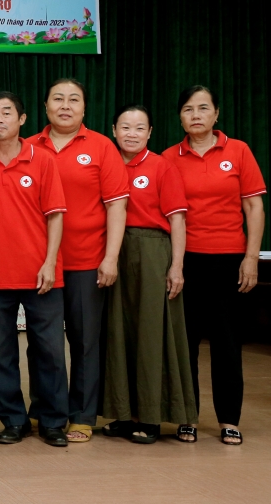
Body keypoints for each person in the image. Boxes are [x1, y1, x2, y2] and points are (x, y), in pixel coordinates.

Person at [164, 86, 266, 446]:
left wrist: (251, 257)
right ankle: (187, 417)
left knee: (227, 343)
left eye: (203, 108)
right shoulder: (169, 157)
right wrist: (175, 265)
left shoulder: (238, 151)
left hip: (229, 261)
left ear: (216, 114)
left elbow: (254, 207)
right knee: (186, 343)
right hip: (185, 262)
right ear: (180, 117)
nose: (196, 115)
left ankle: (229, 419)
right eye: (188, 109)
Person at [0, 92, 69, 447]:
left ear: (22, 119)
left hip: (42, 274)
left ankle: (52, 420)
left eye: (7, 112)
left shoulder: (42, 159)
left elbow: (55, 216)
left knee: (50, 351)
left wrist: (50, 262)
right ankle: (13, 420)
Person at [30, 78, 128, 442]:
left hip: (86, 261)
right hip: (40, 263)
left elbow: (117, 206)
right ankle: (45, 410)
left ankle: (83, 415)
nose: (65, 105)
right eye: (58, 99)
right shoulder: (28, 147)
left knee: (85, 342)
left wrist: (111, 257)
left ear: (84, 108)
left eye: (74, 99)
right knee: (42, 344)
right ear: (45, 106)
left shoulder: (102, 147)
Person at [101, 105, 197, 444]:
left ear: (150, 133)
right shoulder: (106, 164)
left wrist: (177, 266)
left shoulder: (161, 166)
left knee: (150, 334)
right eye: (125, 127)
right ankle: (124, 413)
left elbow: (177, 220)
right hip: (113, 250)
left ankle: (151, 417)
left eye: (139, 128)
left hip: (152, 252)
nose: (131, 133)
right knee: (118, 332)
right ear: (113, 129)